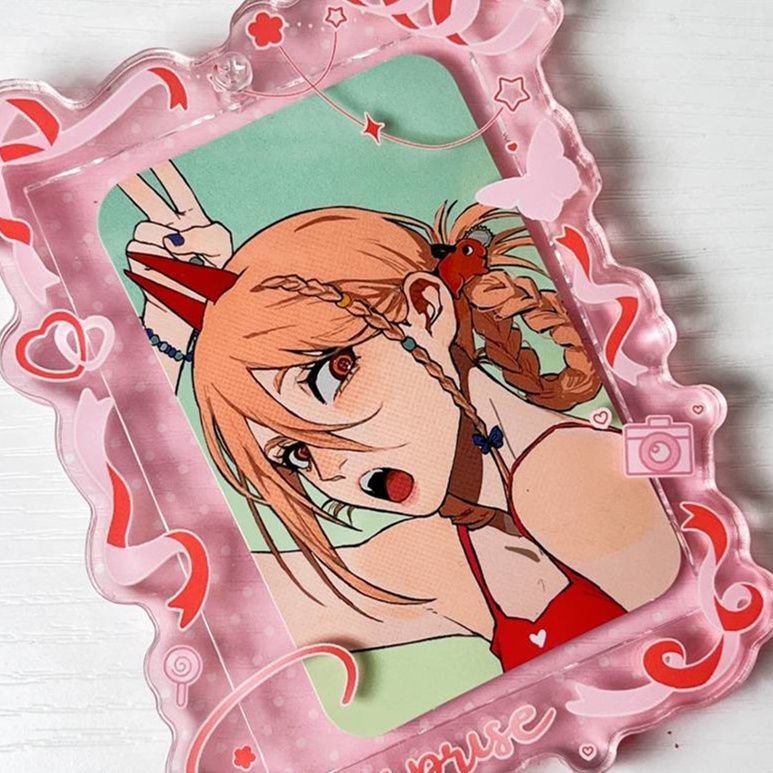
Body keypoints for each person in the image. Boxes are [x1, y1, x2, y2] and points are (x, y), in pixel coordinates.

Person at [119, 162, 681, 672]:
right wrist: (165, 347)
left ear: (426, 311)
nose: (330, 468)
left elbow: (689, 638)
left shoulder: (563, 473)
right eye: (294, 453)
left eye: (329, 377)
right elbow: (208, 591)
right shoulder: (451, 551)